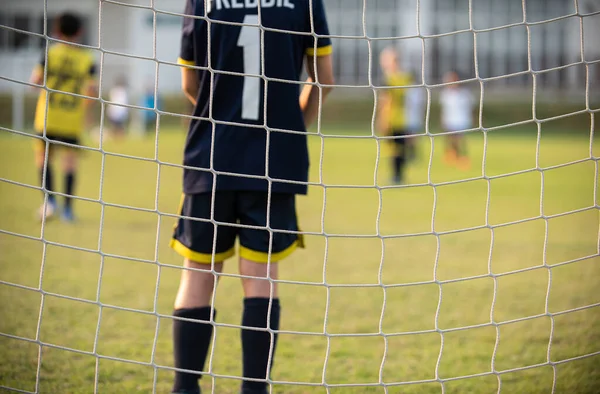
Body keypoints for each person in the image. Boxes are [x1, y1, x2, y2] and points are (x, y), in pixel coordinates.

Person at [169, 1, 334, 394]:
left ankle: (185, 388)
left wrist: (222, 119)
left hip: (212, 156)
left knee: (199, 273)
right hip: (274, 160)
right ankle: (254, 390)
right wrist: (291, 126)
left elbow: (189, 84)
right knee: (260, 277)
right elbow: (324, 80)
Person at [30, 12, 97, 222]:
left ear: (57, 31)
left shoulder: (49, 54)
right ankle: (68, 210)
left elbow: (35, 81)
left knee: (43, 158)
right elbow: (92, 91)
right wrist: (82, 108)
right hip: (71, 119)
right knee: (69, 163)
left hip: (47, 116)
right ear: (80, 32)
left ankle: (49, 201)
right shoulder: (86, 59)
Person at [377, 47, 413, 185]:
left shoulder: (389, 78)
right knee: (400, 147)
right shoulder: (405, 77)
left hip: (391, 118)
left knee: (394, 149)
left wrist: (382, 119)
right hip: (403, 117)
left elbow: (385, 99)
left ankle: (396, 176)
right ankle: (399, 175)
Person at [439, 70, 474, 170]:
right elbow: (444, 109)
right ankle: (452, 156)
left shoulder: (464, 93)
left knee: (459, 139)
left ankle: (463, 157)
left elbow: (471, 107)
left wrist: (472, 118)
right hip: (449, 120)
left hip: (461, 120)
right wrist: (442, 119)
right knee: (450, 139)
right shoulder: (446, 93)